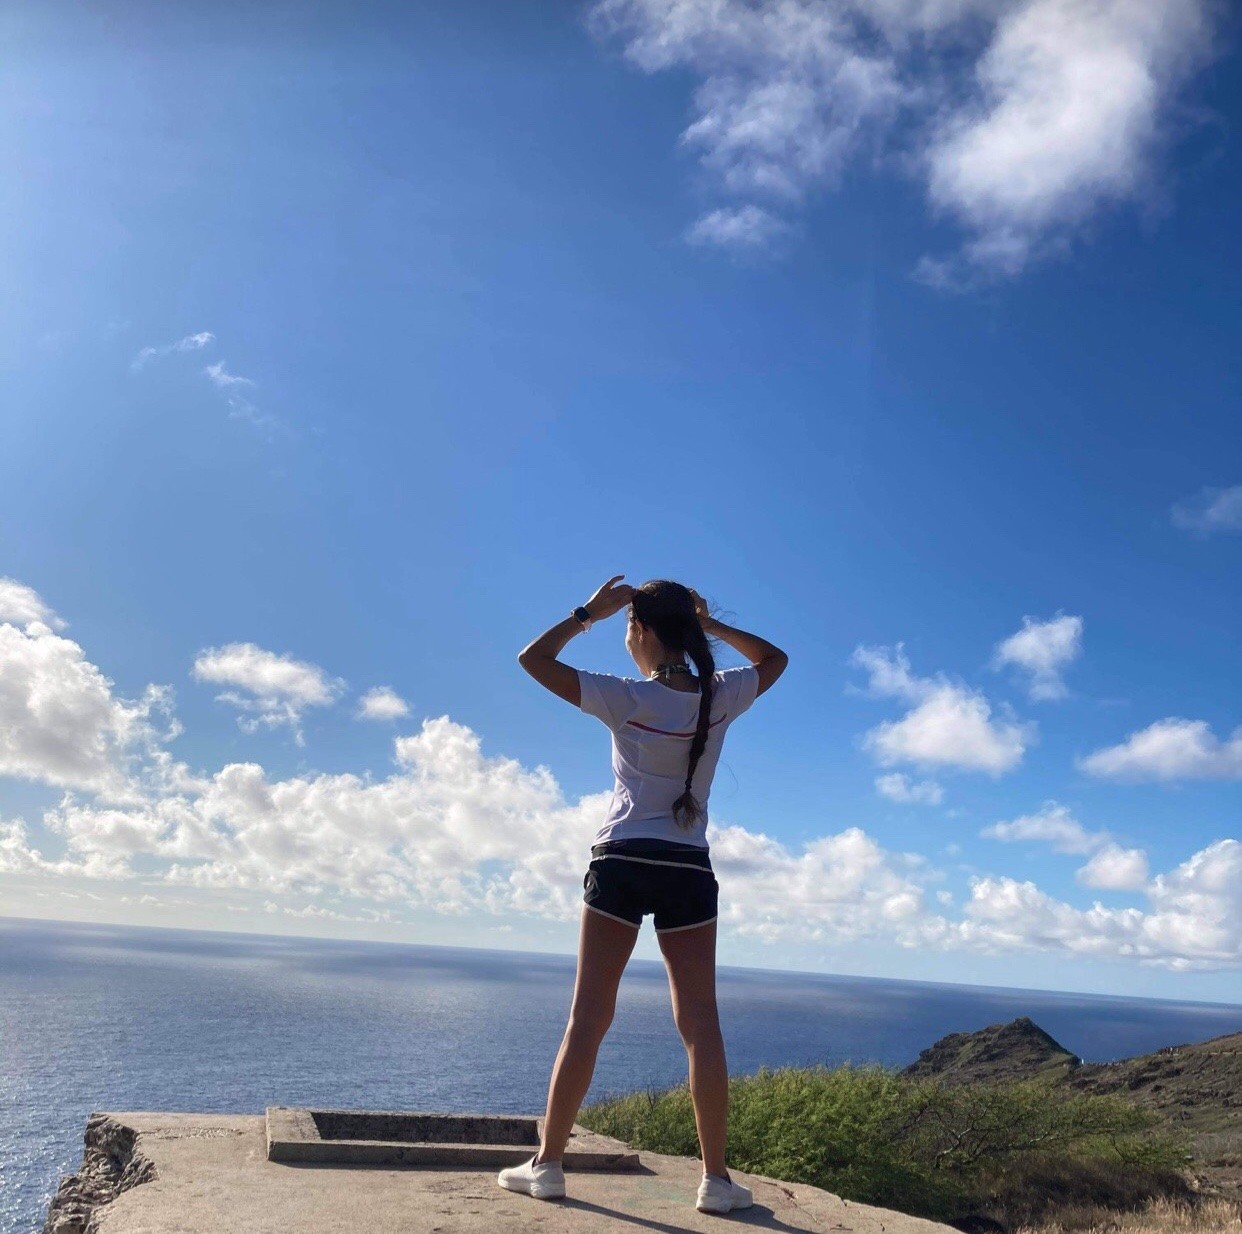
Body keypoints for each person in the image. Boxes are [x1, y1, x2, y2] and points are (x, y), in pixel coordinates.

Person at [498, 575, 788, 1214]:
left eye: (629, 629)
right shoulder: (722, 695)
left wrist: (586, 614)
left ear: (642, 631)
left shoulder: (624, 697)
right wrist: (712, 627)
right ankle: (716, 1181)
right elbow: (775, 659)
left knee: (589, 1017)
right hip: (688, 868)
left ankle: (548, 1166)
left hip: (623, 860)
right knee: (701, 1023)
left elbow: (533, 660)